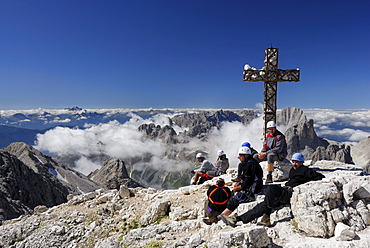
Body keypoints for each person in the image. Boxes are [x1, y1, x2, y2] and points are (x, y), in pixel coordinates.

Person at [219, 153, 325, 227]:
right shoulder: (293, 170)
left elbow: (319, 176)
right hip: (286, 190)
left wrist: (304, 186)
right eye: (293, 162)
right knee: (263, 205)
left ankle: (267, 216)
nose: (294, 164)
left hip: (292, 193)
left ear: (302, 162)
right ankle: (239, 219)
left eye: (297, 162)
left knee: (272, 189)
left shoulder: (305, 170)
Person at [218, 146, 263, 218]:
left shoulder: (249, 165)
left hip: (253, 189)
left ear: (246, 155)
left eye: (240, 155)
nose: (239, 157)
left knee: (236, 197)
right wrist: (239, 183)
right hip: (255, 186)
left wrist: (238, 187)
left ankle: (223, 215)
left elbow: (248, 182)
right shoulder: (250, 163)